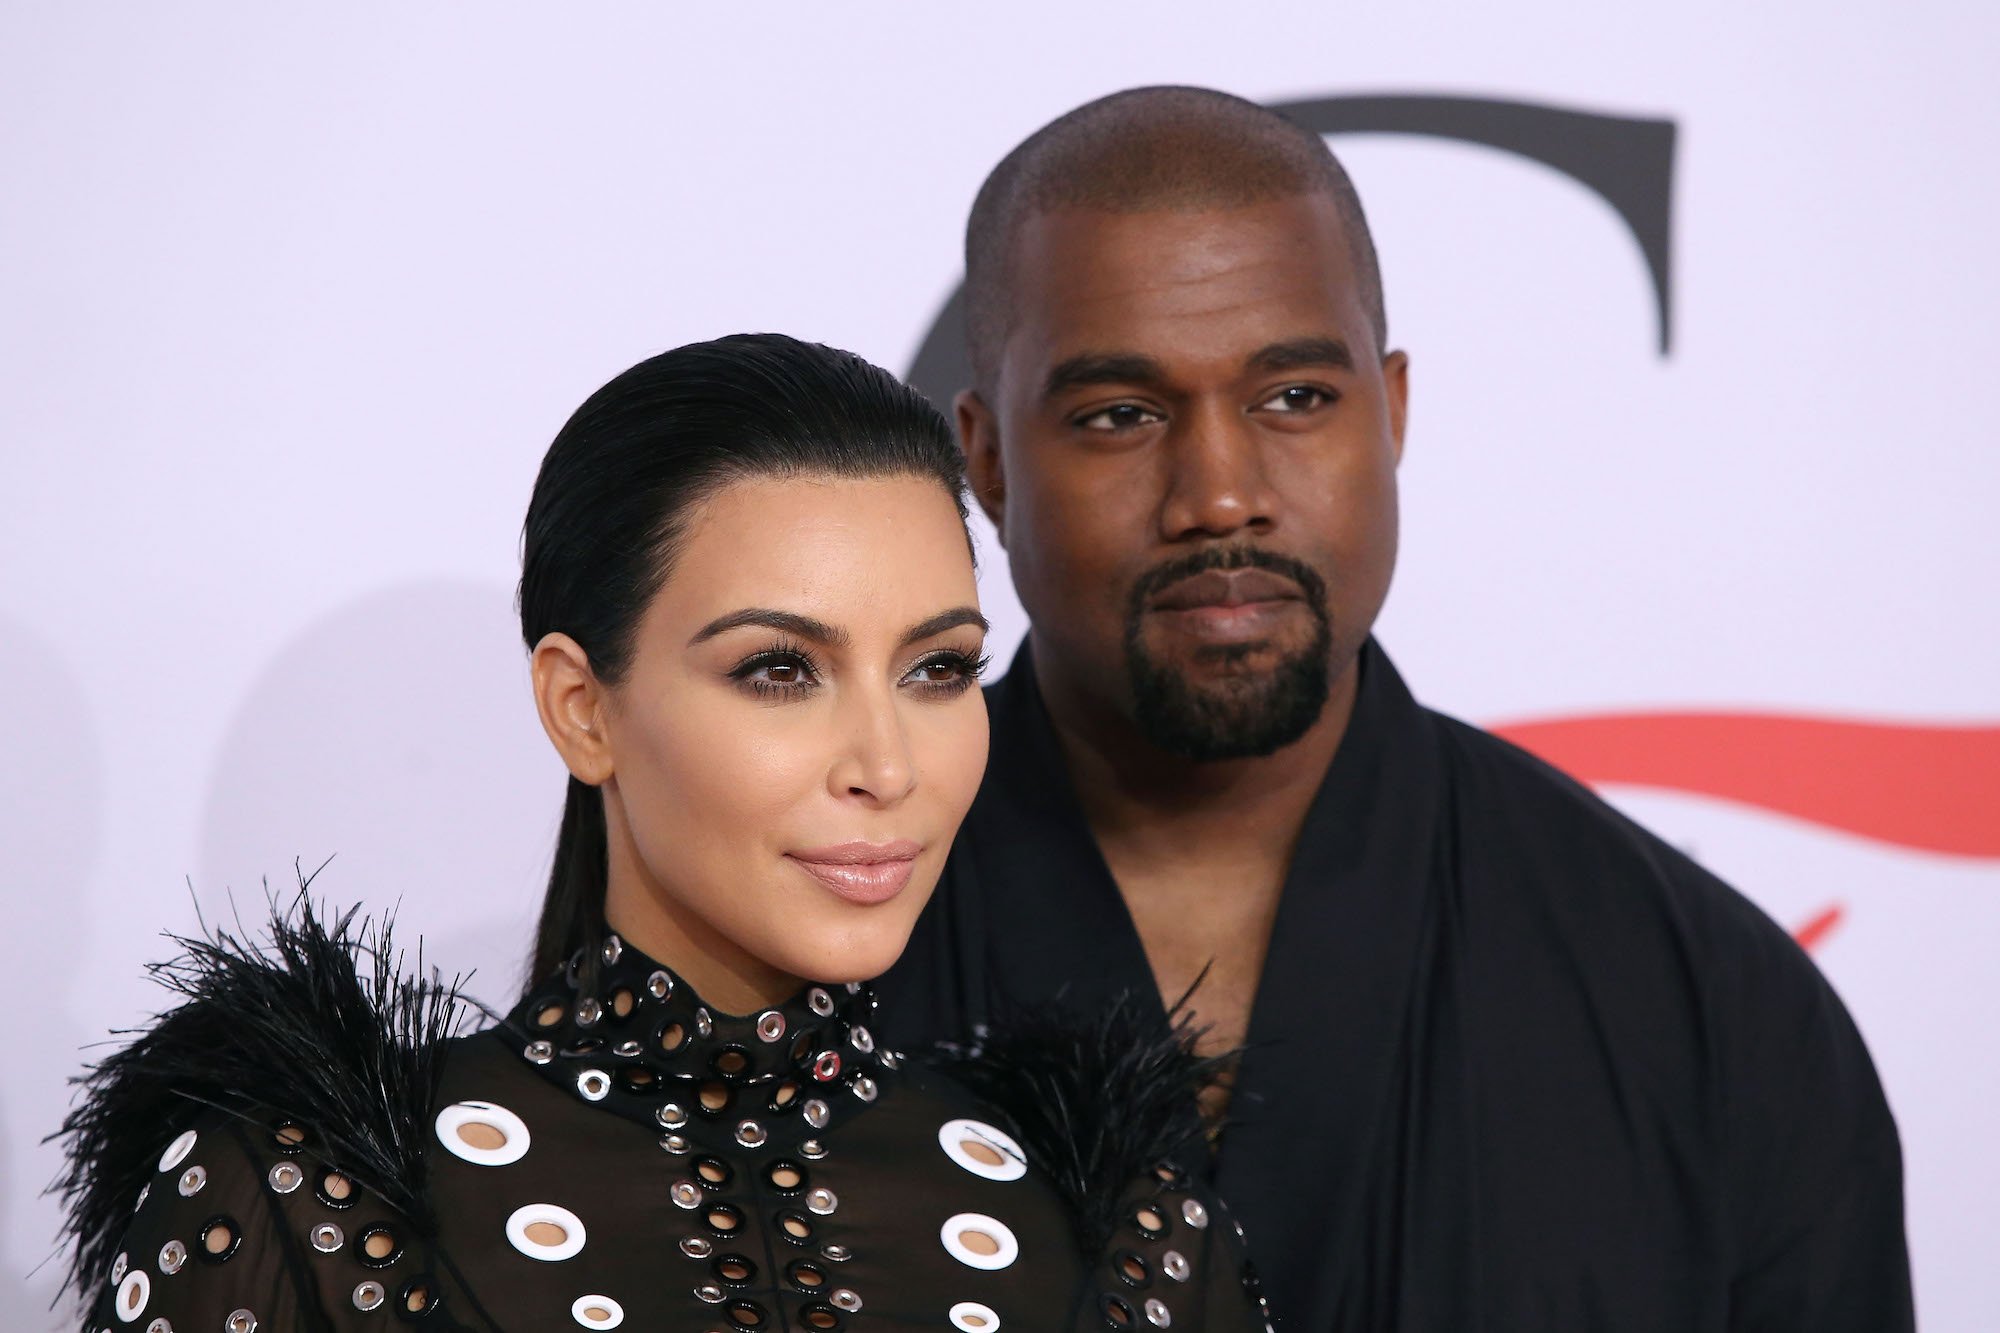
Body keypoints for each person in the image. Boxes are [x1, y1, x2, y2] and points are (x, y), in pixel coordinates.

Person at [876, 87, 1915, 1332]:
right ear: (985, 461)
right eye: (1120, 415)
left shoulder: (1709, 1007)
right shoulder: (782, 960)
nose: (1217, 495)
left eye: (1294, 398)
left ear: (1393, 410)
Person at [56, 334, 1270, 1332]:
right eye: (780, 670)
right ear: (582, 710)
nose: (887, 765)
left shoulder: (1120, 1227)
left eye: (938, 668)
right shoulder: (299, 1206)